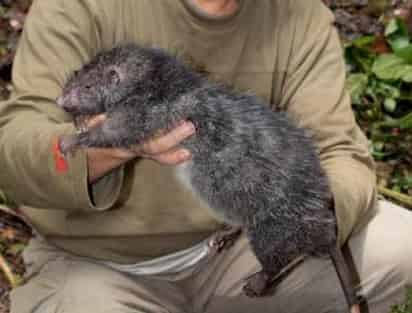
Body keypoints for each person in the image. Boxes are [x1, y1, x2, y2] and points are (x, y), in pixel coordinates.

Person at [0, 0, 411, 312]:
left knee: (401, 246)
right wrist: (119, 142)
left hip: (237, 246)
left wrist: (305, 212)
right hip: (100, 267)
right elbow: (14, 151)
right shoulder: (79, 8)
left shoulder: (296, 14)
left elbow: (339, 151)